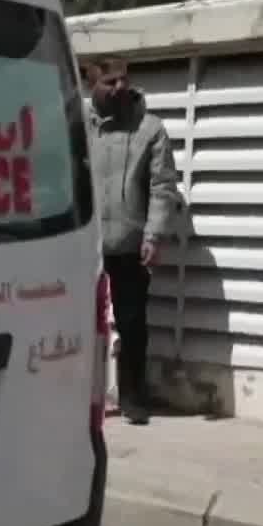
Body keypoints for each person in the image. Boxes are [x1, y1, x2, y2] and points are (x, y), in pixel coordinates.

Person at [89, 66, 181, 424]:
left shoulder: (150, 129)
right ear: (90, 83)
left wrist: (153, 235)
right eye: (110, 81)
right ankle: (82, 396)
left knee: (132, 324)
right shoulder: (77, 125)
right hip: (84, 244)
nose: (120, 86)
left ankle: (133, 397)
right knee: (77, 324)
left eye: (123, 79)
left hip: (130, 244)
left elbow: (163, 186)